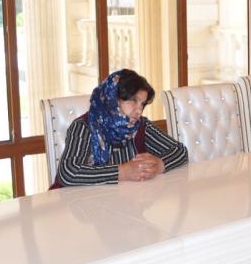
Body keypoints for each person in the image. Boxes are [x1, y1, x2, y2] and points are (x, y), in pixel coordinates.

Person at [55, 69, 187, 186]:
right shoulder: (84, 126)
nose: (139, 110)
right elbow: (68, 173)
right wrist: (123, 172)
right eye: (134, 100)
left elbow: (180, 151)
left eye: (142, 104)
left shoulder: (140, 126)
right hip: (86, 203)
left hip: (127, 201)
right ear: (113, 99)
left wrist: (158, 165)